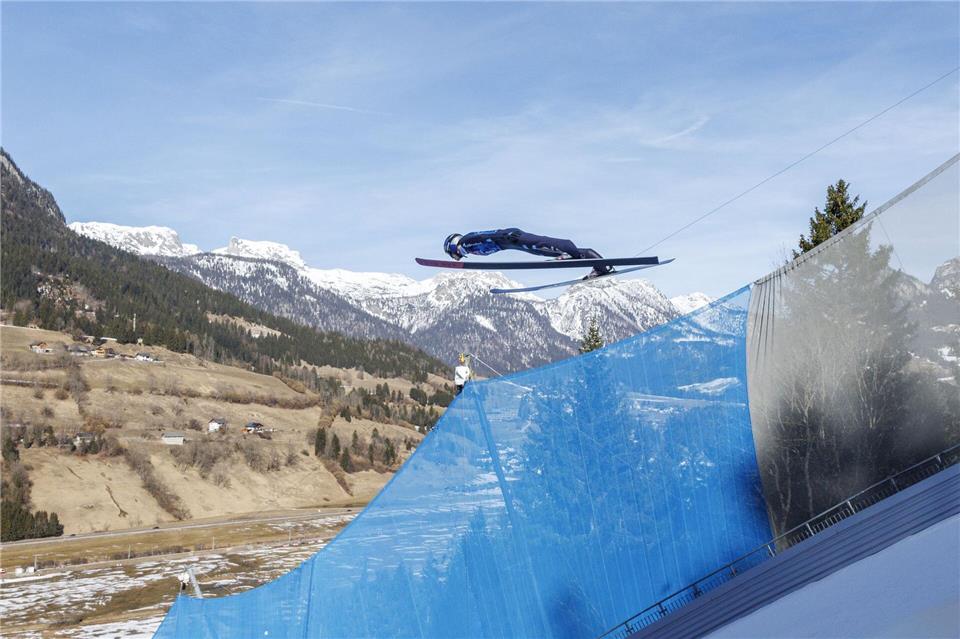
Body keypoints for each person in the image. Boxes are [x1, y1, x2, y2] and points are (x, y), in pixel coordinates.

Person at [443, 228, 613, 278]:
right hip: (508, 242)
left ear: (452, 246)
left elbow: (483, 236)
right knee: (543, 251)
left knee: (542, 244)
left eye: (454, 254)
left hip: (508, 238)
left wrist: (506, 236)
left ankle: (571, 251)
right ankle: (598, 264)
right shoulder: (468, 244)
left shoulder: (466, 241)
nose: (458, 256)